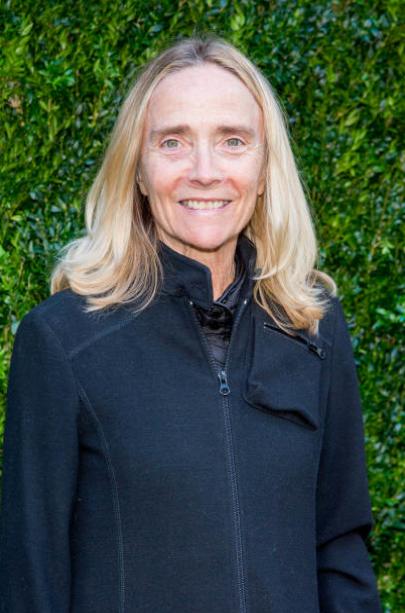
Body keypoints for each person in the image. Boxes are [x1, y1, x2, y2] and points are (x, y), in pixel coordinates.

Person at [0, 34, 382, 612]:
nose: (205, 172)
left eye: (233, 141)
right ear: (138, 169)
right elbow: (31, 576)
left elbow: (340, 549)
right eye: (173, 142)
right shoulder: (62, 340)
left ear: (264, 168)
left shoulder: (315, 328)